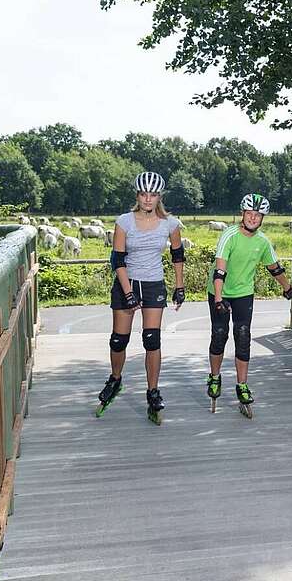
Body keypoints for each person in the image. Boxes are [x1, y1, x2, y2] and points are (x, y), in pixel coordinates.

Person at [96, 171, 186, 423]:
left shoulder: (171, 223)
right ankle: (115, 379)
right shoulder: (124, 221)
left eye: (153, 195)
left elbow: (177, 256)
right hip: (127, 281)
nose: (148, 199)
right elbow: (118, 260)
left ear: (159, 197)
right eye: (144, 194)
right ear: (137, 195)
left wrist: (180, 286)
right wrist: (128, 293)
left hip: (154, 284)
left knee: (151, 339)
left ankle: (153, 391)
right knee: (118, 340)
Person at [206, 193, 292, 416]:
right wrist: (218, 299)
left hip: (244, 292)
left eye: (258, 215)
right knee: (219, 335)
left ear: (262, 218)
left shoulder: (262, 242)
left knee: (243, 335)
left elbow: (274, 267)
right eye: (249, 214)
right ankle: (215, 377)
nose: (253, 218)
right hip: (220, 290)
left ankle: (242, 385)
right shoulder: (230, 235)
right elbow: (219, 270)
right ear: (242, 214)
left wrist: (287, 287)